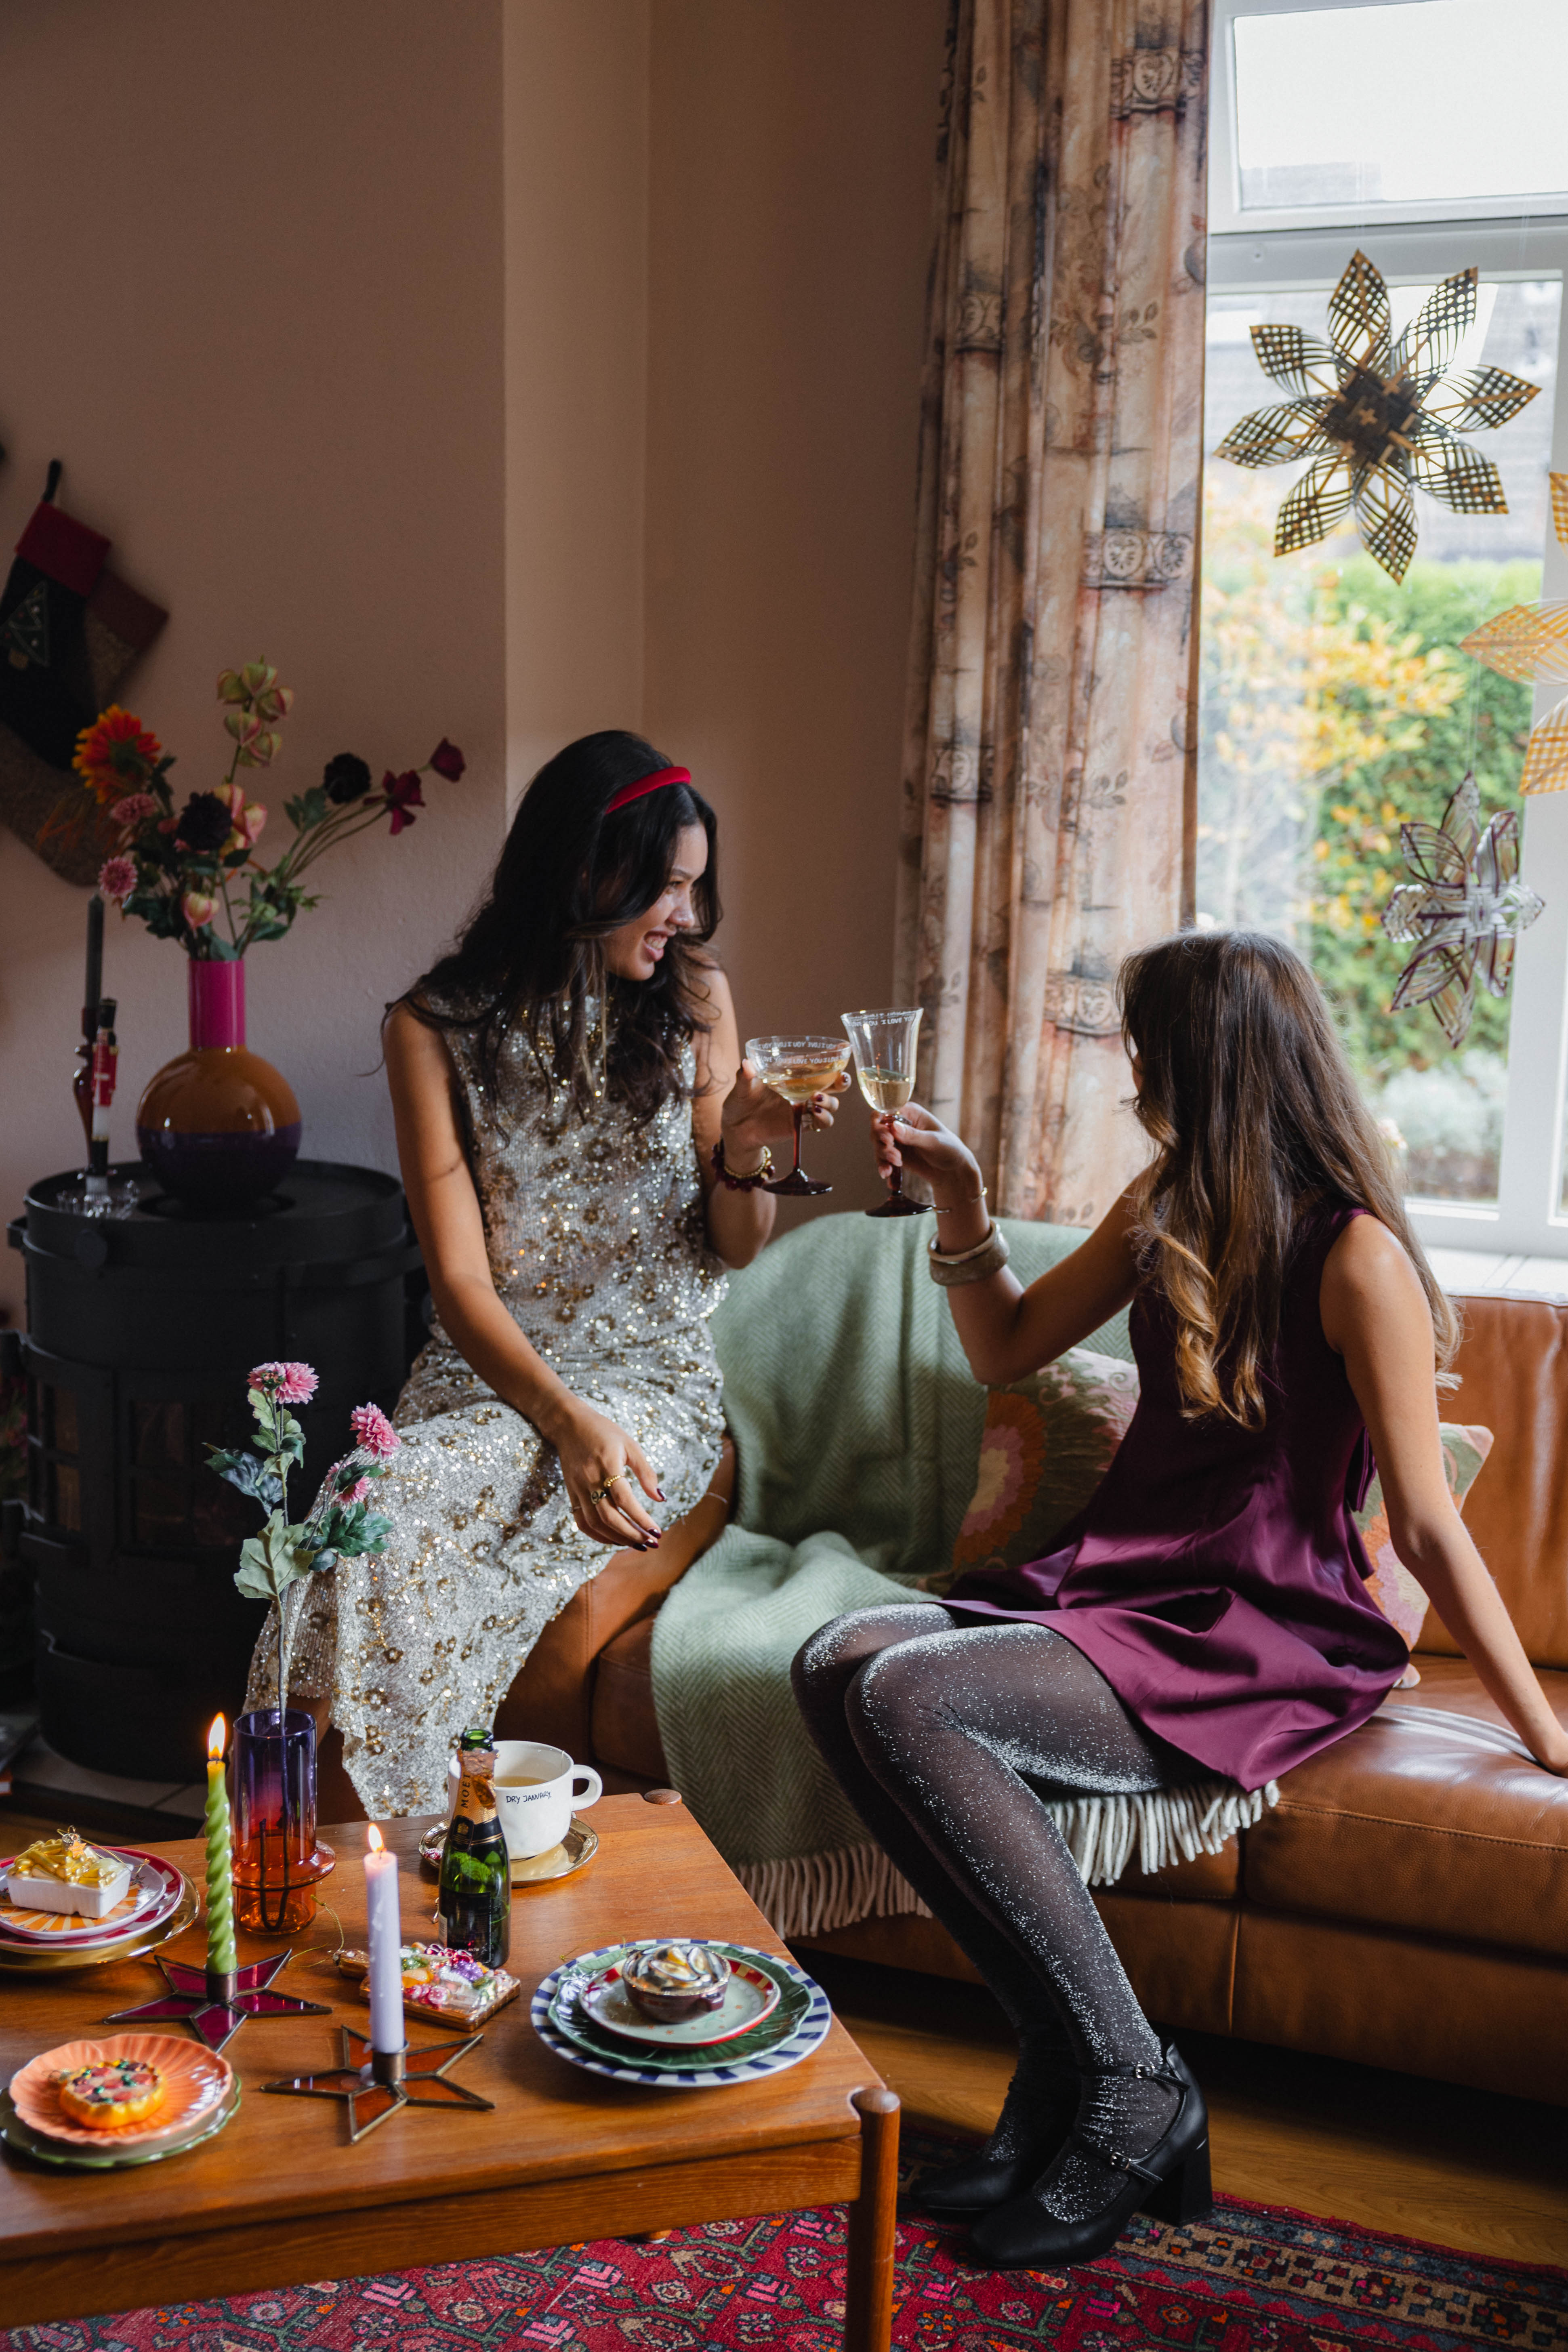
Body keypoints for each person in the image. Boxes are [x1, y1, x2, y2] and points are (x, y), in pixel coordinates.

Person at [792, 929, 1568, 2271]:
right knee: (829, 1659)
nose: (1132, 1066)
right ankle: (1066, 2063)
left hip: (1262, 1630)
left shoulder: (1355, 1256)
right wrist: (965, 1199)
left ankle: (1126, 2082)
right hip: (1132, 1591)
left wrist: (1546, 1737)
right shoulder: (1168, 1203)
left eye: (1146, 1042)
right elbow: (1010, 1350)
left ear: (1208, 1060)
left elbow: (1428, 1529)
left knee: (907, 1690)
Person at [247, 730, 840, 1816]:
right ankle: (359, 1843)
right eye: (664, 889)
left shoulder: (697, 999)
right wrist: (561, 1425)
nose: (687, 919)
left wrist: (751, 1147)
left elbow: (737, 1245)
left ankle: (418, 1851)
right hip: (491, 1383)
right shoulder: (432, 1028)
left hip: (651, 1384)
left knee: (386, 1506)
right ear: (583, 873)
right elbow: (460, 1286)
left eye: (694, 891)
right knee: (364, 1502)